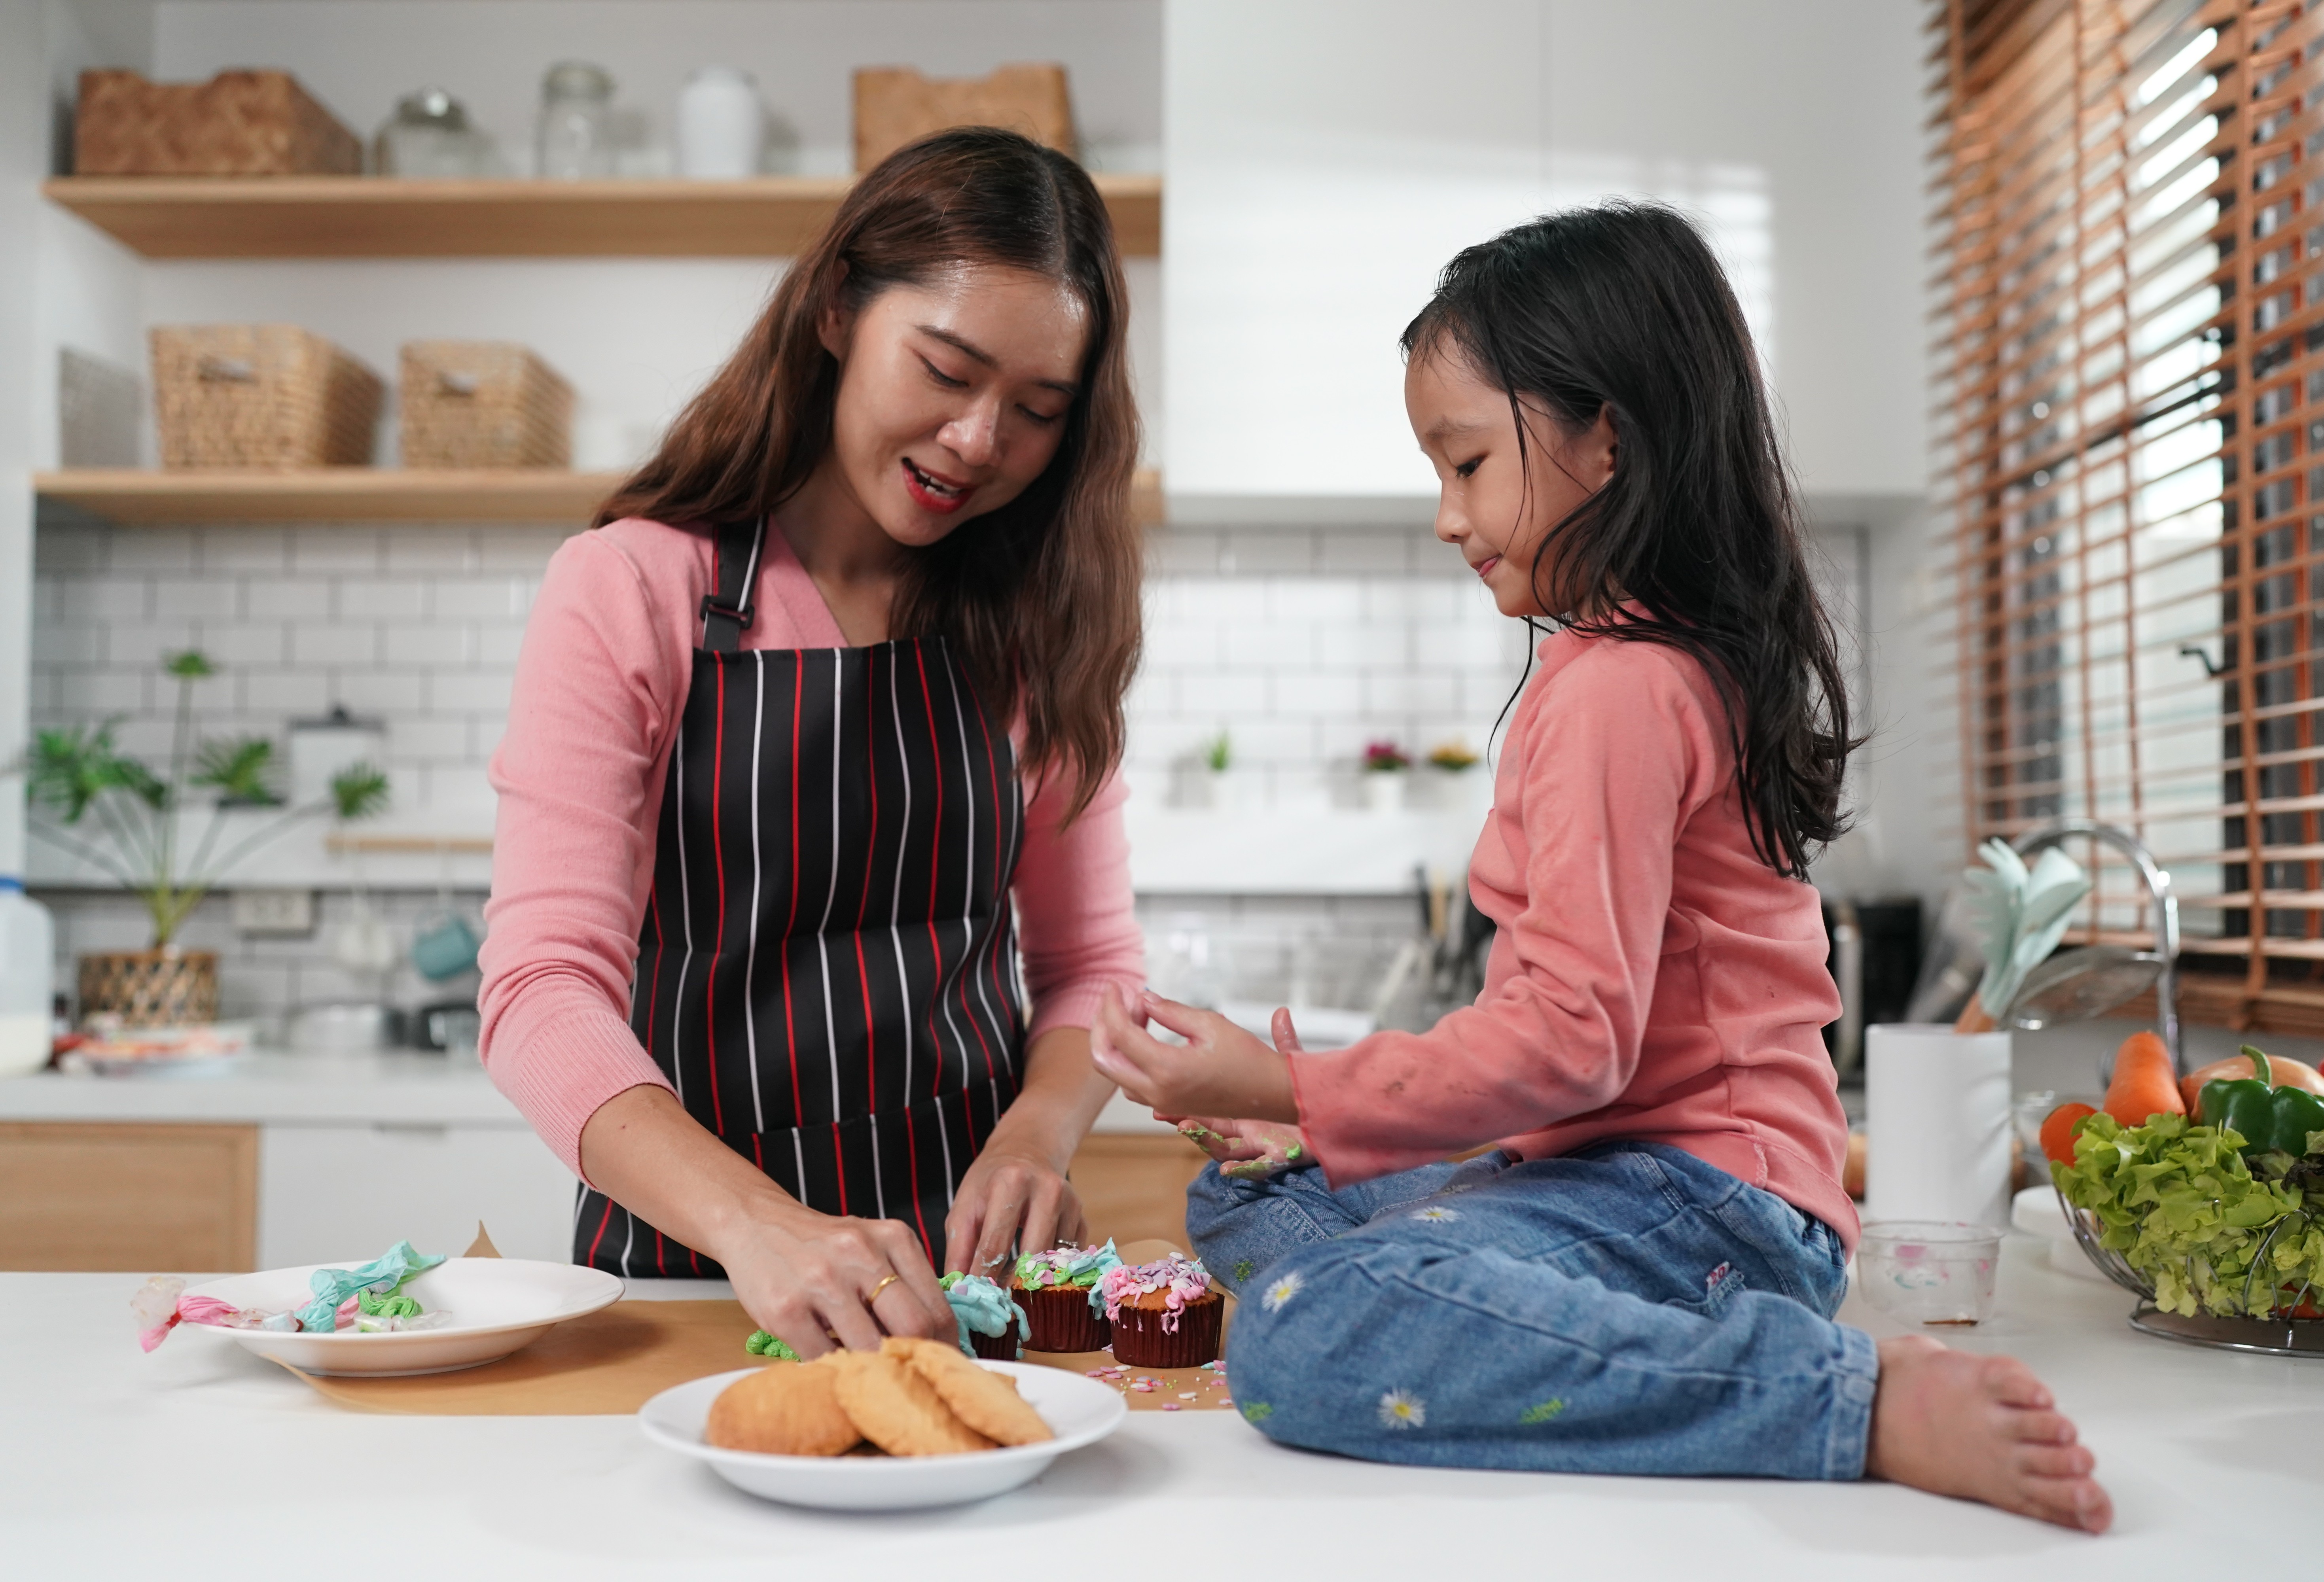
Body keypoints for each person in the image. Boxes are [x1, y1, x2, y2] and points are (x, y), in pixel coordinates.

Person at [1089, 201, 2113, 1533]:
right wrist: (1312, 1123)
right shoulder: (1639, 667)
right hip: (1629, 1181)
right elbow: (1579, 1062)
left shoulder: (1620, 691)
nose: (1448, 516)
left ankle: (1845, 1401)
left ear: (1607, 440)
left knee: (1301, 1329)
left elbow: (1572, 1041)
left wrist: (1281, 1075)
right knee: (1254, 1189)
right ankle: (1522, 1303)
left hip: (1707, 1205)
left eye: (1466, 462)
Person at [479, 129, 1145, 1360]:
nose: (978, 441)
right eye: (946, 370)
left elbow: (1093, 960)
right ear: (838, 308)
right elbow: (539, 989)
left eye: (1037, 409)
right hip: (696, 1282)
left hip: (965, 1291)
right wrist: (760, 1228)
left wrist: (1034, 1137)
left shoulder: (1034, 622)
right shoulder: (631, 587)